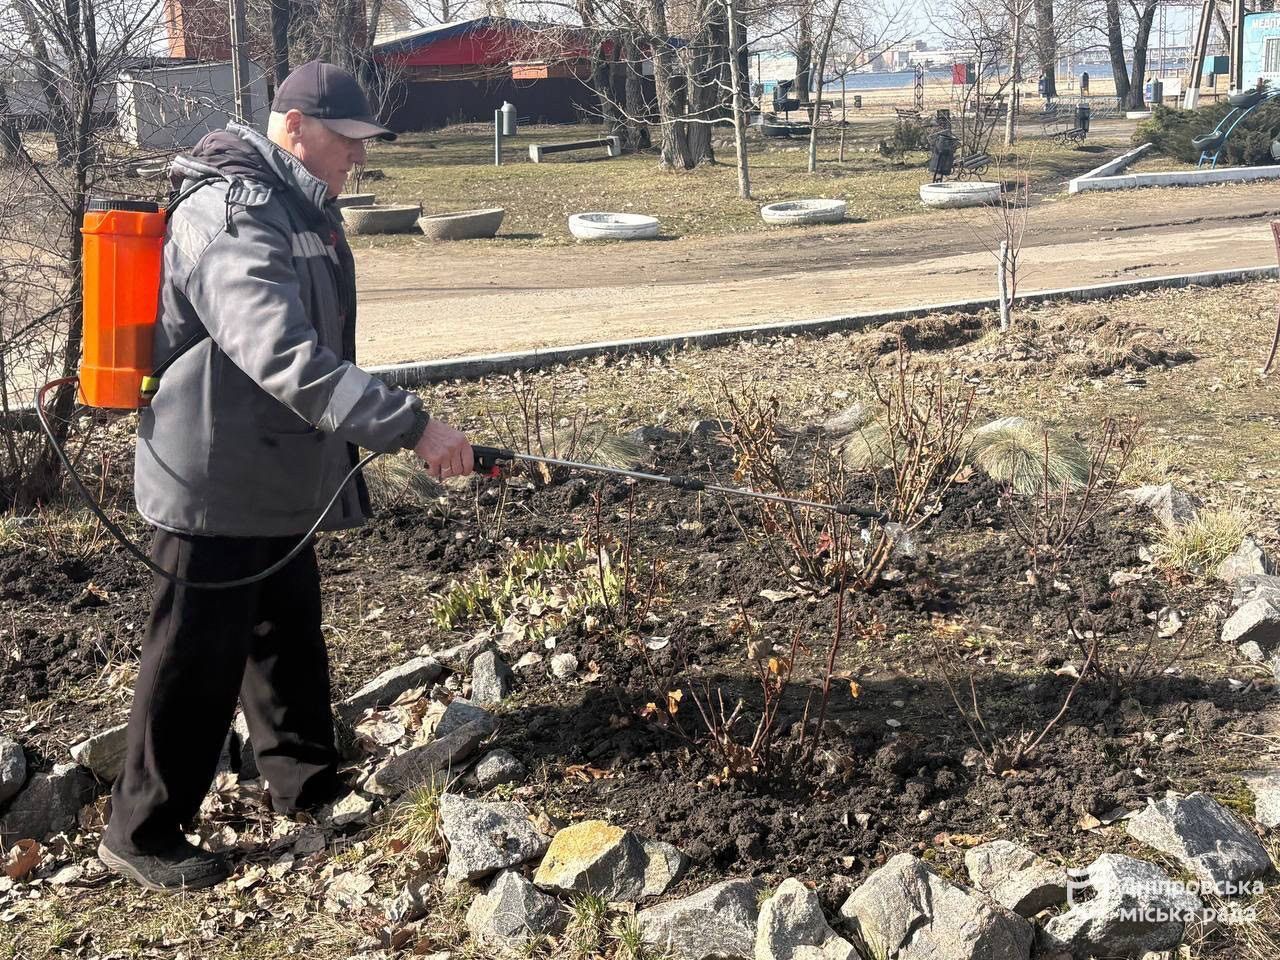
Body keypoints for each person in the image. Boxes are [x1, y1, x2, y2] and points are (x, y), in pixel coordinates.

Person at [97, 60, 473, 891]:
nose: (357, 159)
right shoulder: (229, 213)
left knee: (285, 632)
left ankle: (304, 783)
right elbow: (285, 355)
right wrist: (410, 427)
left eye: (363, 145)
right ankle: (142, 830)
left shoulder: (295, 203)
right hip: (209, 476)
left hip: (265, 468)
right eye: (346, 141)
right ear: (294, 127)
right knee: (193, 654)